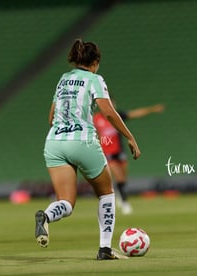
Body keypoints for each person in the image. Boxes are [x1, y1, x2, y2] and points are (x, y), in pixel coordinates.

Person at [35, 38, 141, 260]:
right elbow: (109, 112)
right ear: (95, 62)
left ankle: (45, 216)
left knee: (66, 202)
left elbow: (51, 117)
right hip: (82, 142)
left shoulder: (63, 80)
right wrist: (130, 137)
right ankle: (104, 249)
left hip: (54, 143)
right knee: (106, 193)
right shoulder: (94, 79)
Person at [93, 102, 164, 214]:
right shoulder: (96, 119)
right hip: (107, 153)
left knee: (123, 179)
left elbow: (134, 114)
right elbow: (95, 134)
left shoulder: (117, 115)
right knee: (119, 177)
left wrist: (152, 109)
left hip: (120, 151)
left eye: (112, 103)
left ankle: (119, 194)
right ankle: (125, 203)